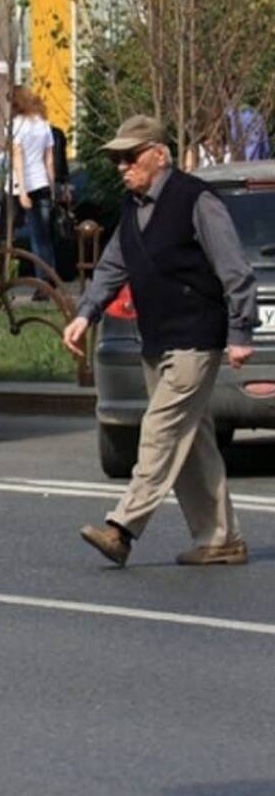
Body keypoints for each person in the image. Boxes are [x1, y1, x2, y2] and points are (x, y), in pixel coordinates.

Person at [61, 114, 258, 568]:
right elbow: (112, 266)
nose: (121, 166)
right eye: (117, 159)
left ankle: (122, 528)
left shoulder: (196, 200)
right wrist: (85, 314)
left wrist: (240, 332)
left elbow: (234, 268)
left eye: (130, 157)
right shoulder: (133, 208)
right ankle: (221, 539)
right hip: (157, 340)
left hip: (196, 337)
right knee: (193, 442)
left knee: (160, 431)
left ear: (158, 154)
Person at [10, 87, 57, 294]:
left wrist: (22, 190)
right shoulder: (43, 124)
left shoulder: (17, 125)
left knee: (25, 236)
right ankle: (50, 279)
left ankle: (38, 283)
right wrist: (52, 187)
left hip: (24, 185)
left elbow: (17, 157)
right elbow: (49, 160)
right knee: (44, 236)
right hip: (42, 183)